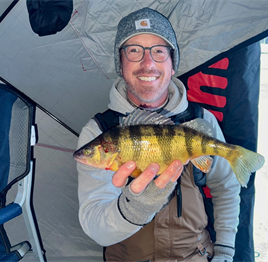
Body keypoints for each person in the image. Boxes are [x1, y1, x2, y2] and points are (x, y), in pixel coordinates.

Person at [77, 7, 240, 262]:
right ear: (120, 63)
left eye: (159, 51)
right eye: (134, 51)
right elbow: (94, 224)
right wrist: (137, 208)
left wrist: (226, 251)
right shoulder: (99, 132)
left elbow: (226, 188)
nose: (148, 63)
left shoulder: (201, 121)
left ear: (173, 63)